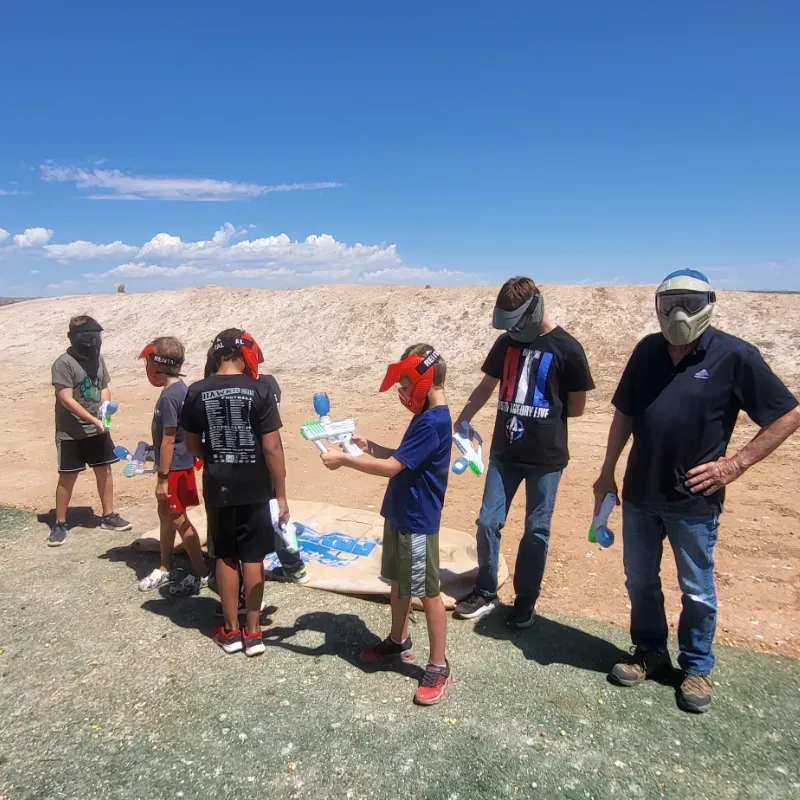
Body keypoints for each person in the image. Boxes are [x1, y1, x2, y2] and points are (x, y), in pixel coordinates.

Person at [594, 269, 800, 713]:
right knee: (640, 580)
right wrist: (607, 471)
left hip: (694, 501)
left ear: (708, 303)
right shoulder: (647, 351)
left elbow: (787, 414)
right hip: (640, 493)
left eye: (688, 303)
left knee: (697, 589)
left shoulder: (735, 355)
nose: (678, 314)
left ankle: (697, 667)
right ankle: (650, 652)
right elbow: (624, 414)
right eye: (669, 304)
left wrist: (735, 465)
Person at [453, 277, 594, 626]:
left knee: (536, 530)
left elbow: (576, 408)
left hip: (546, 459)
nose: (512, 332)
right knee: (488, 521)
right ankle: (485, 591)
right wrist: (463, 419)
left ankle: (525, 601)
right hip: (504, 454)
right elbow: (486, 386)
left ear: (534, 310)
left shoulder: (568, 349)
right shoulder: (505, 344)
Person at [320, 344, 454, 706]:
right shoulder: (426, 415)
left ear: (426, 380)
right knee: (398, 581)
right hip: (401, 512)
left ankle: (439, 666)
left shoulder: (435, 421)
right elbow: (403, 457)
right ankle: (398, 639)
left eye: (406, 384)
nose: (403, 391)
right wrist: (371, 446)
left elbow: (393, 468)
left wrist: (346, 459)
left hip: (417, 518)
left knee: (427, 592)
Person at [179, 329, 288, 657]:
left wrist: (214, 458)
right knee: (253, 557)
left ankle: (230, 629)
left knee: (225, 556)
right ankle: (254, 632)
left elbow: (191, 442)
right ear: (244, 354)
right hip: (255, 485)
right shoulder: (261, 389)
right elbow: (272, 447)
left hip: (219, 485)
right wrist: (281, 494)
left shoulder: (197, 390)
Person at [202, 345, 309, 591]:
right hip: (265, 463)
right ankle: (293, 566)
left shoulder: (258, 387)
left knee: (264, 521)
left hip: (250, 467)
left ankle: (283, 568)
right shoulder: (265, 385)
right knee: (274, 516)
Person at [49, 315, 131, 546]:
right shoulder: (63, 364)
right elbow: (65, 399)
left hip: (97, 428)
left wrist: (105, 410)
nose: (94, 342)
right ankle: (60, 523)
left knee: (104, 470)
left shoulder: (98, 359)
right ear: (75, 338)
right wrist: (93, 420)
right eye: (89, 337)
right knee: (68, 475)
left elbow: (103, 387)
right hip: (71, 432)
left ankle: (109, 516)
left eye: (96, 336)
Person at [137, 337, 209, 594]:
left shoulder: (170, 396)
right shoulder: (180, 390)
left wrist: (162, 479)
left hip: (174, 469)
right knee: (165, 516)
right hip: (177, 465)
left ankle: (203, 572)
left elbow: (169, 440)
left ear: (157, 363)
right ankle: (165, 566)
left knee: (178, 519)